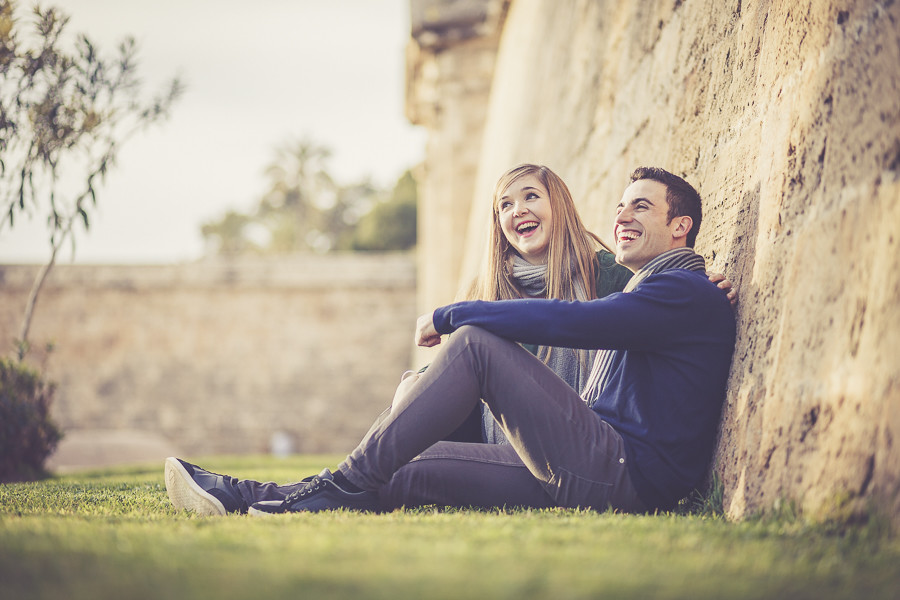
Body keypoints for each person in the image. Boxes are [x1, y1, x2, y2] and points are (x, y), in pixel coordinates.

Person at [165, 166, 737, 516]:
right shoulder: (665, 292)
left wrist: (451, 314)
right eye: (619, 207)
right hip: (582, 465)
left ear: (680, 225)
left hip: (617, 468)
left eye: (641, 206)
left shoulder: (680, 290)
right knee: (406, 472)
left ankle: (327, 488)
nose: (622, 217)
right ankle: (246, 497)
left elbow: (572, 321)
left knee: (474, 344)